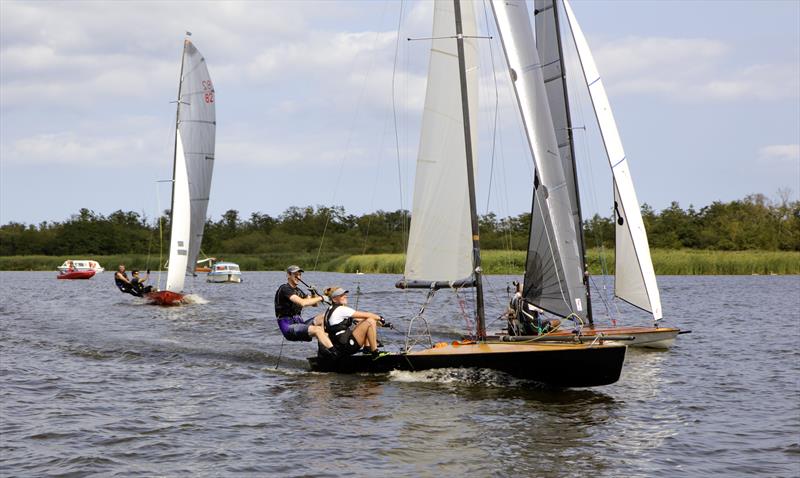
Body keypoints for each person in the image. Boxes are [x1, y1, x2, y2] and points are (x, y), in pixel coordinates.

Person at [274, 265, 338, 359]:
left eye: (299, 274)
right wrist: (320, 297)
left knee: (326, 316)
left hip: (300, 324)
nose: (298, 277)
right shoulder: (285, 289)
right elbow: (302, 303)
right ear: (288, 275)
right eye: (295, 275)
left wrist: (313, 293)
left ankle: (325, 350)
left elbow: (314, 304)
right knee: (317, 329)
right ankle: (335, 353)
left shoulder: (298, 291)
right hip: (288, 328)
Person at [322, 286, 388, 359]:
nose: (345, 296)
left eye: (345, 294)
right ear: (334, 299)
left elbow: (360, 319)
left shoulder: (330, 310)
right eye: (341, 295)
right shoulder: (341, 309)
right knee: (370, 321)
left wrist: (382, 324)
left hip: (339, 346)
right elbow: (368, 315)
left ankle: (367, 349)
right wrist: (381, 318)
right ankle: (375, 353)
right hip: (346, 346)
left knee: (367, 321)